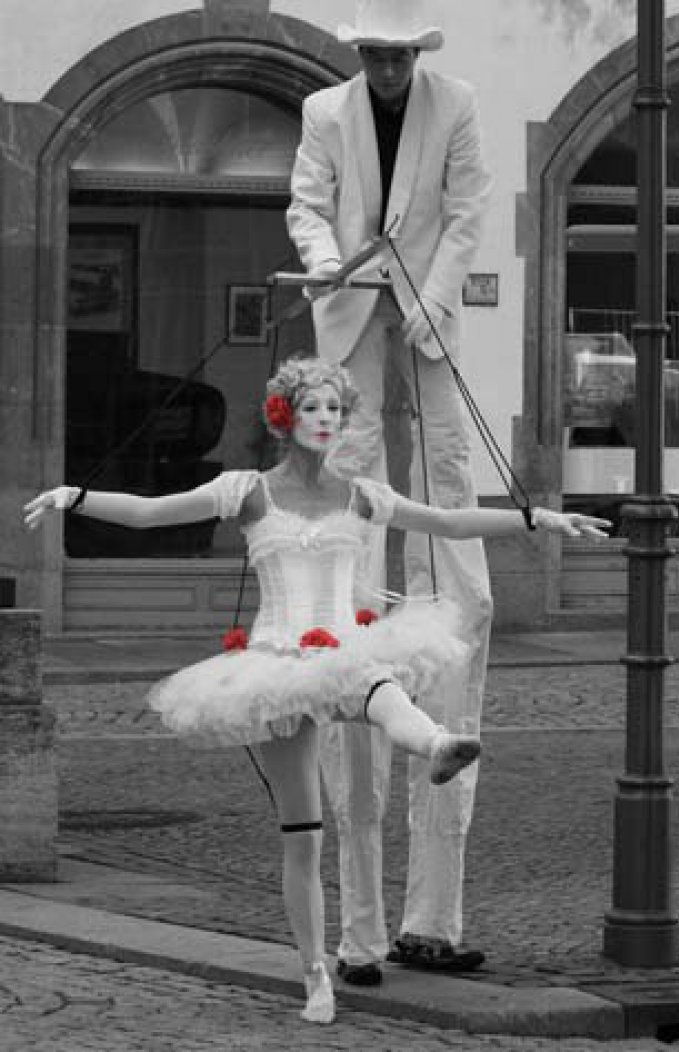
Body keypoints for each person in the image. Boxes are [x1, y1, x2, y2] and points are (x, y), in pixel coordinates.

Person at [23, 357, 609, 1026]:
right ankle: (314, 975)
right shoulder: (249, 491)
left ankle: (438, 744)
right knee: (304, 837)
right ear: (285, 416)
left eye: (334, 408)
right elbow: (150, 512)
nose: (326, 419)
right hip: (275, 668)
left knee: (375, 683)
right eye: (312, 408)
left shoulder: (361, 495)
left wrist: (538, 519)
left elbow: (448, 523)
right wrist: (74, 497)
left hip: (342, 651)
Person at [286, 0, 495, 982]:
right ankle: (359, 933)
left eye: (399, 56)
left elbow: (467, 209)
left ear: (417, 53)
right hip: (348, 313)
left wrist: (430, 295)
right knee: (353, 473)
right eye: (375, 55)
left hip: (427, 319)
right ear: (360, 52)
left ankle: (431, 921)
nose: (387, 71)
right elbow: (306, 202)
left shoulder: (456, 104)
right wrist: (330, 265)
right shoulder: (324, 112)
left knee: (449, 477)